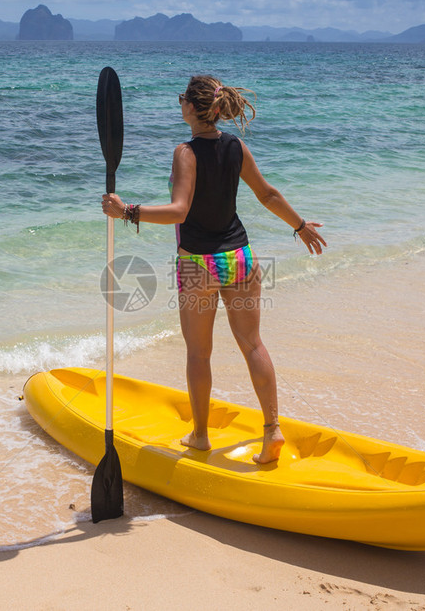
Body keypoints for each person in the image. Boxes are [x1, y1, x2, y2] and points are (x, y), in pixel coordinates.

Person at [101, 75, 326, 464]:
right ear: (219, 109)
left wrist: (128, 211)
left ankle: (201, 436)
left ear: (193, 107)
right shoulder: (236, 146)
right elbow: (268, 194)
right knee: (253, 344)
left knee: (198, 354)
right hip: (240, 257)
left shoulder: (184, 152)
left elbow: (179, 211)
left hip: (197, 264)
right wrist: (300, 225)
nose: (180, 104)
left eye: (182, 99)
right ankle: (272, 430)